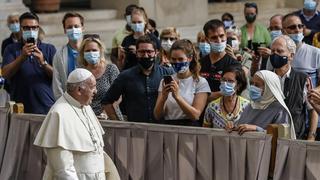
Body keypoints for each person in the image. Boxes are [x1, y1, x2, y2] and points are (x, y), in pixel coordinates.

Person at [34, 68, 120, 180]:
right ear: (79, 90)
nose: (96, 91)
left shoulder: (86, 107)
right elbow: (63, 167)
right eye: (92, 87)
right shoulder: (59, 113)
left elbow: (97, 149)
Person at [102, 35, 174, 122]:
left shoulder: (168, 73)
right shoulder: (125, 76)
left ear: (156, 53)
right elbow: (106, 101)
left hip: (163, 128)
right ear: (136, 53)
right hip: (136, 129)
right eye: (142, 52)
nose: (146, 55)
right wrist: (117, 122)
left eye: (149, 52)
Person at [1, 12, 56, 114]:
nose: (31, 31)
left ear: (38, 28)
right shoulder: (11, 49)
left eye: (34, 28)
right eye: (26, 28)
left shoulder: (49, 49)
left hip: (46, 107)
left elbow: (58, 76)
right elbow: (5, 73)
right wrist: (22, 57)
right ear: (21, 29)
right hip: (21, 108)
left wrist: (43, 62)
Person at [270, 35, 318, 140]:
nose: (275, 54)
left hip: (295, 137)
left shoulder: (303, 79)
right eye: (272, 51)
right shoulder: (264, 77)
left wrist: (311, 136)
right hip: (269, 136)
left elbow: (312, 110)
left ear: (291, 56)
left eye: (280, 51)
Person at [154, 39, 210, 126]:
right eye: (173, 59)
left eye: (180, 59)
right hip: (169, 127)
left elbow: (195, 116)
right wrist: (163, 98)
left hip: (189, 128)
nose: (177, 62)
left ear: (189, 58)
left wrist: (177, 97)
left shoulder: (200, 82)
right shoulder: (165, 81)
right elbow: (157, 115)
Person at [233, 70, 296, 139]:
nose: (252, 87)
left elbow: (283, 137)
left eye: (257, 85)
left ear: (269, 88)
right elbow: (241, 127)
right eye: (252, 83)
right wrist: (233, 126)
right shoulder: (250, 106)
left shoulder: (280, 110)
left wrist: (257, 129)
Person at [78, 35, 122, 119]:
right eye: (88, 51)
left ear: (100, 51)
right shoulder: (80, 72)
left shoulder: (110, 69)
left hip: (110, 116)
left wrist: (106, 111)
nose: (91, 53)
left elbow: (119, 96)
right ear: (83, 53)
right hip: (88, 118)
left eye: (94, 50)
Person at [200, 19, 241, 102]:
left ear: (226, 36)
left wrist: (203, 96)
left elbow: (233, 91)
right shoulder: (199, 63)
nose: (219, 40)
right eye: (214, 37)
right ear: (207, 40)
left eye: (221, 36)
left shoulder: (234, 64)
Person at [52, 12, 84, 100]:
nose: (73, 29)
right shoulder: (59, 55)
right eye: (69, 27)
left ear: (82, 28)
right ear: (65, 30)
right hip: (67, 103)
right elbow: (57, 84)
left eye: (76, 26)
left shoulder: (90, 51)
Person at [110, 4, 138, 68]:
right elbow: (113, 55)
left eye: (134, 13)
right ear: (125, 16)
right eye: (129, 13)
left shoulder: (145, 34)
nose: (132, 16)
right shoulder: (118, 34)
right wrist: (119, 65)